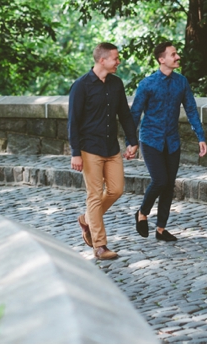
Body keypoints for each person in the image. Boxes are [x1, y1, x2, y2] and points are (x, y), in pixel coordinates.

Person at [130, 41, 207, 242]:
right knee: (160, 180)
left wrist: (201, 136)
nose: (177, 57)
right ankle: (142, 212)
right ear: (161, 59)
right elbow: (135, 113)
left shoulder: (181, 82)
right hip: (150, 140)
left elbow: (191, 109)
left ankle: (161, 229)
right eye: (173, 54)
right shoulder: (147, 84)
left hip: (172, 141)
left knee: (169, 185)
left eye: (177, 54)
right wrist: (131, 142)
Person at [68, 42, 139, 260]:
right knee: (95, 195)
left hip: (111, 147)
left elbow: (124, 115)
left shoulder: (116, 84)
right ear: (102, 60)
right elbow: (73, 121)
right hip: (89, 148)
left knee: (117, 190)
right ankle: (100, 246)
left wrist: (132, 141)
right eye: (115, 59)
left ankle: (87, 219)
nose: (118, 62)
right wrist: (75, 152)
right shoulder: (81, 86)